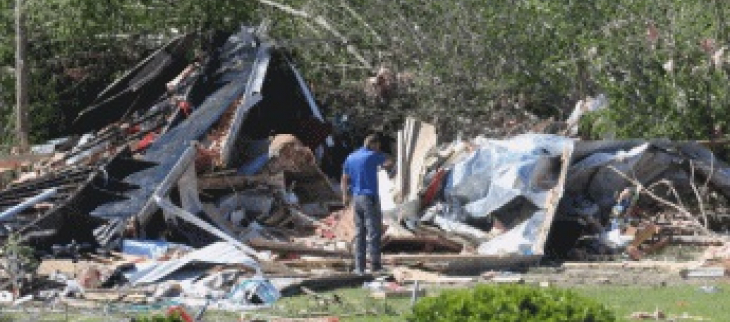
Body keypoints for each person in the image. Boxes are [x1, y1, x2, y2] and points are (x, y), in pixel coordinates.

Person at [341, 134, 391, 274]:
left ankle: (359, 267)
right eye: (377, 146)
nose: (378, 148)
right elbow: (388, 161)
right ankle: (375, 265)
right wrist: (380, 155)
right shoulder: (372, 156)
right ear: (373, 144)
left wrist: (345, 196)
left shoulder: (350, 157)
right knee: (374, 232)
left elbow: (344, 178)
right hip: (369, 198)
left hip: (356, 198)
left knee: (359, 233)